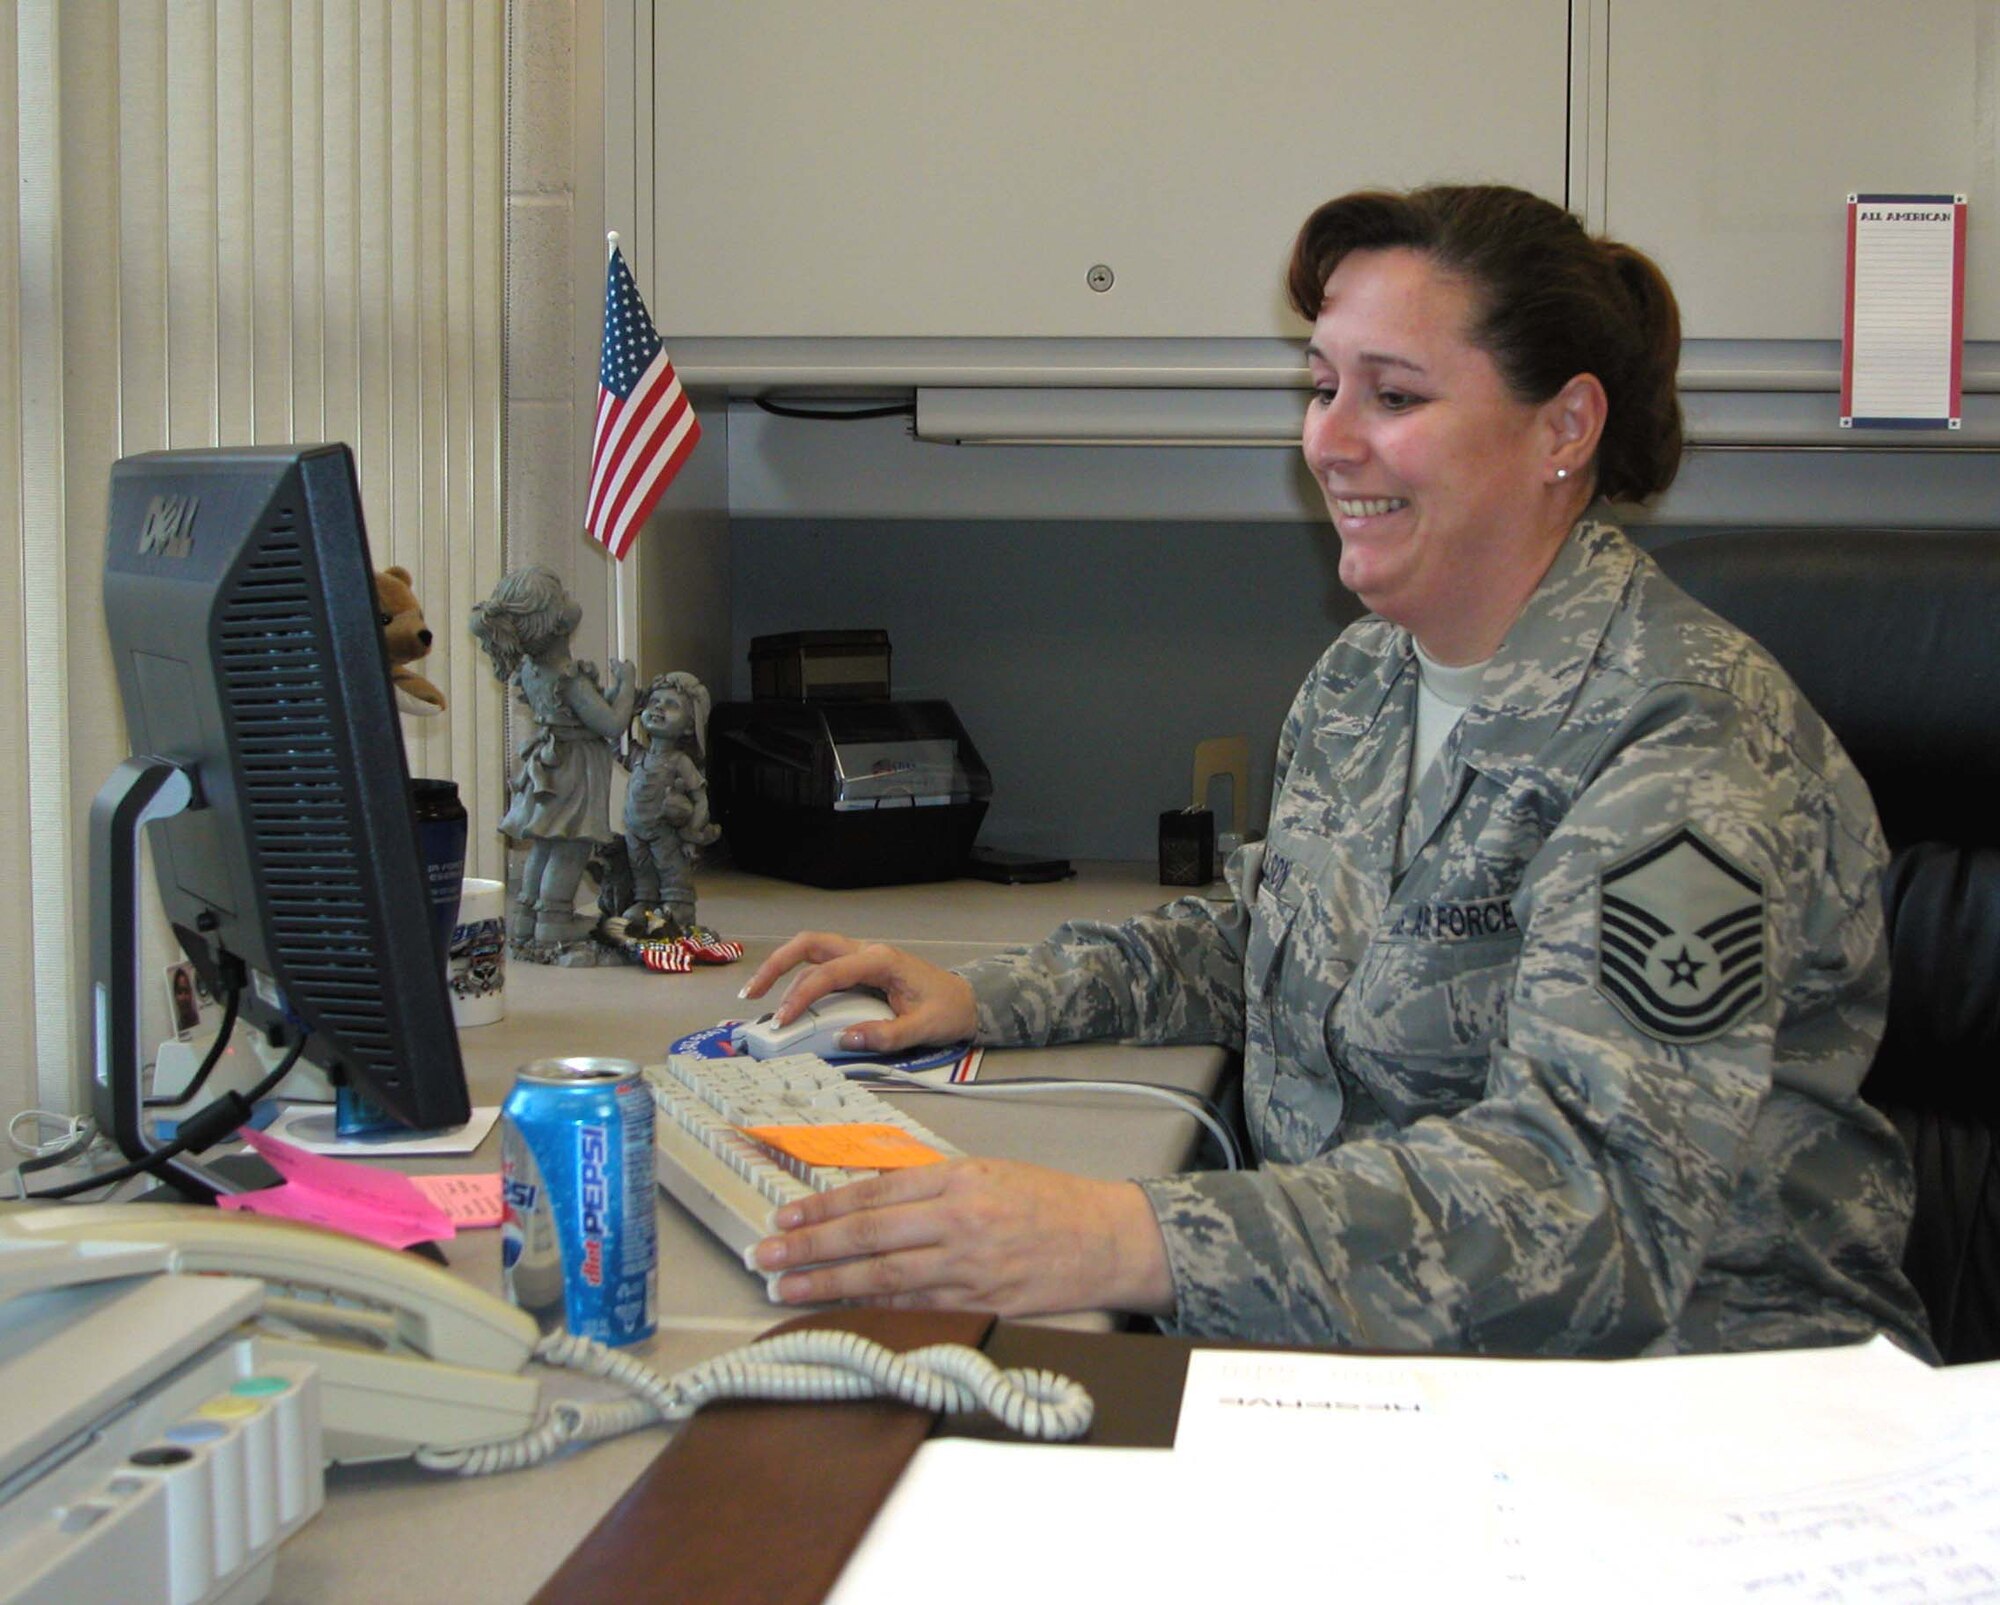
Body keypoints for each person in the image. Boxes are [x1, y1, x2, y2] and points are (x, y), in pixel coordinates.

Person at [739, 184, 1936, 1360]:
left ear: (1562, 429)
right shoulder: (1366, 680)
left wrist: (1120, 1233)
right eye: (1320, 387)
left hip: (1689, 1410)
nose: (1328, 439)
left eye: (1394, 395)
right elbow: (1270, 936)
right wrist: (992, 995)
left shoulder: (1684, 746)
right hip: (1388, 1354)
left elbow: (1593, 1213)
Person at [470, 565, 635, 951]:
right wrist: (626, 685)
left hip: (550, 761)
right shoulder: (568, 678)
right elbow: (610, 724)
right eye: (561, 595)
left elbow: (585, 716)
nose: (570, 599)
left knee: (545, 843)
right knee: (571, 844)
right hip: (574, 767)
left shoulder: (531, 669)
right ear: (556, 622)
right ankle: (556, 920)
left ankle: (528, 917)